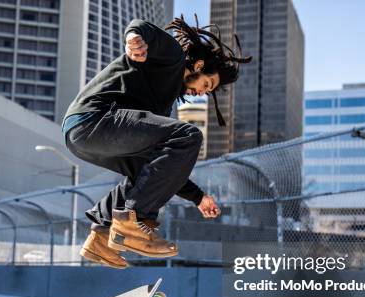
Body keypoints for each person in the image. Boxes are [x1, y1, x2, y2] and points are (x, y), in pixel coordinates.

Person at [61, 15, 251, 269]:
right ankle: (136, 220)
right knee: (189, 135)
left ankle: (100, 238)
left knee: (145, 170)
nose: (203, 93)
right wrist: (134, 40)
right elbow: (141, 27)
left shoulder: (163, 103)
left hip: (82, 134)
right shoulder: (172, 57)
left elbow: (162, 169)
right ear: (198, 65)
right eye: (207, 84)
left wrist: (197, 197)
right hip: (94, 119)